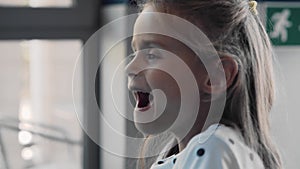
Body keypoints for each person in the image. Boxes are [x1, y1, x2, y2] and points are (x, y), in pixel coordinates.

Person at [125, 0, 282, 169]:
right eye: (135, 52)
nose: (130, 67)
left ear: (215, 76)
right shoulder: (196, 153)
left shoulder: (213, 148)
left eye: (152, 55)